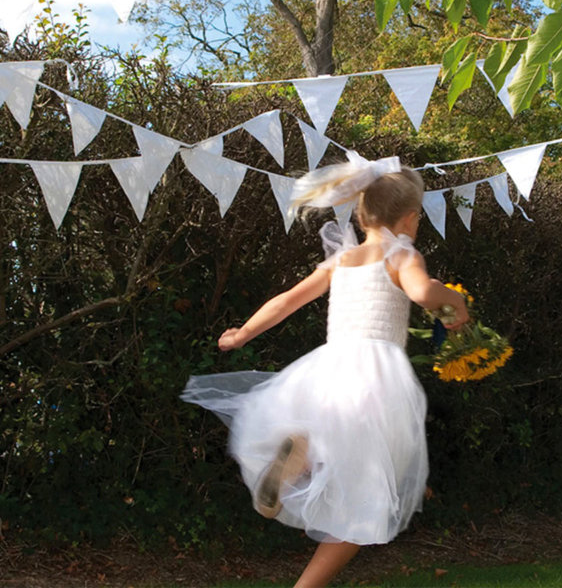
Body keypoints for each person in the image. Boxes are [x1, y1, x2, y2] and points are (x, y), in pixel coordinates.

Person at [181, 153, 470, 587]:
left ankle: (301, 457)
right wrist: (455, 301)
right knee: (365, 498)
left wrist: (242, 333)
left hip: (331, 368)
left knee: (339, 462)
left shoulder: (344, 259)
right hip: (377, 379)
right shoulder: (402, 253)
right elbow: (421, 292)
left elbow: (286, 301)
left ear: (362, 210)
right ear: (410, 219)